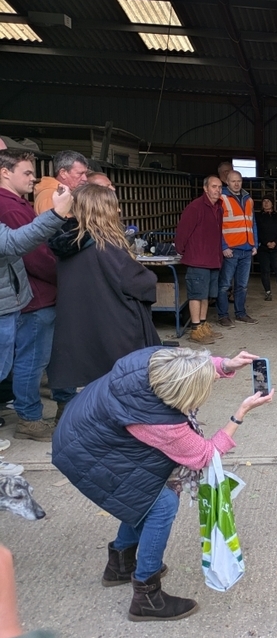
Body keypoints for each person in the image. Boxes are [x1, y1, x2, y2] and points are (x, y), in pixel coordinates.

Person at [52, 346, 274, 622]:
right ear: (183, 395)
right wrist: (240, 413)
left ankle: (120, 564)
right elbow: (205, 456)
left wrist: (226, 365)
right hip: (87, 452)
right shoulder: (159, 422)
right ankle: (146, 597)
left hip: (84, 425)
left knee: (141, 496)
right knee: (161, 503)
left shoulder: (153, 359)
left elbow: (188, 364)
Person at [47, 184, 161, 395]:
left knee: (94, 387)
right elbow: (138, 282)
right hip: (115, 327)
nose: (118, 210)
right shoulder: (105, 245)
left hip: (83, 327)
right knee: (123, 385)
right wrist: (149, 276)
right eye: (113, 206)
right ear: (102, 209)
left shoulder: (68, 243)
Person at [0, 151, 75, 440]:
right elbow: (31, 253)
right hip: (35, 297)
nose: (34, 178)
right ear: (5, 172)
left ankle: (62, 405)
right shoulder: (9, 207)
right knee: (31, 361)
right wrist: (62, 277)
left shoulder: (18, 202)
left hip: (37, 294)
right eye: (27, 172)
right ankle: (29, 418)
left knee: (49, 356)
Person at [175, 176, 225, 345]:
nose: (217, 190)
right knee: (196, 295)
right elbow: (182, 232)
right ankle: (196, 329)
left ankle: (203, 325)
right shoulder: (195, 207)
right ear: (205, 188)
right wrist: (182, 250)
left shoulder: (218, 207)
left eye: (220, 187)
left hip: (212, 259)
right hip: (198, 259)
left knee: (206, 295)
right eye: (214, 186)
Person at [216, 171, 258, 327]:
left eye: (239, 181)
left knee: (242, 285)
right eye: (233, 181)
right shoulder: (221, 199)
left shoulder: (248, 199)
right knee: (225, 285)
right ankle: (223, 315)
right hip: (231, 250)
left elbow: (252, 223)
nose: (236, 184)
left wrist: (255, 244)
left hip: (246, 249)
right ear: (227, 182)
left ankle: (241, 313)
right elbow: (217, 225)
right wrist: (223, 246)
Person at [33, 150, 88, 215]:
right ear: (63, 173)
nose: (85, 178)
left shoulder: (60, 193)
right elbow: (52, 221)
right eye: (80, 173)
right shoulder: (50, 196)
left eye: (85, 173)